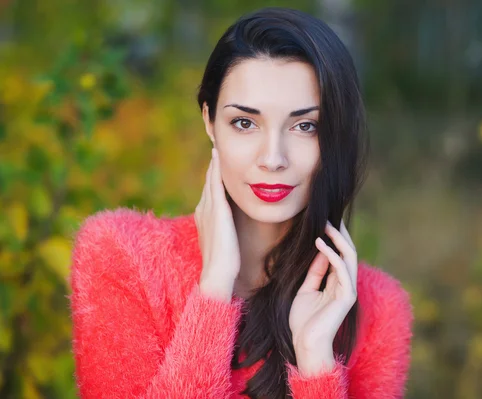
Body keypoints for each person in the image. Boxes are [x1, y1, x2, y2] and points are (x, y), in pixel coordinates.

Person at [68, 7, 413, 399]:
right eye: (245, 122)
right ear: (209, 121)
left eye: (305, 126)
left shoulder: (377, 307)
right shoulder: (120, 255)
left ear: (336, 135)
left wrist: (316, 367)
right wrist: (213, 293)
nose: (272, 158)